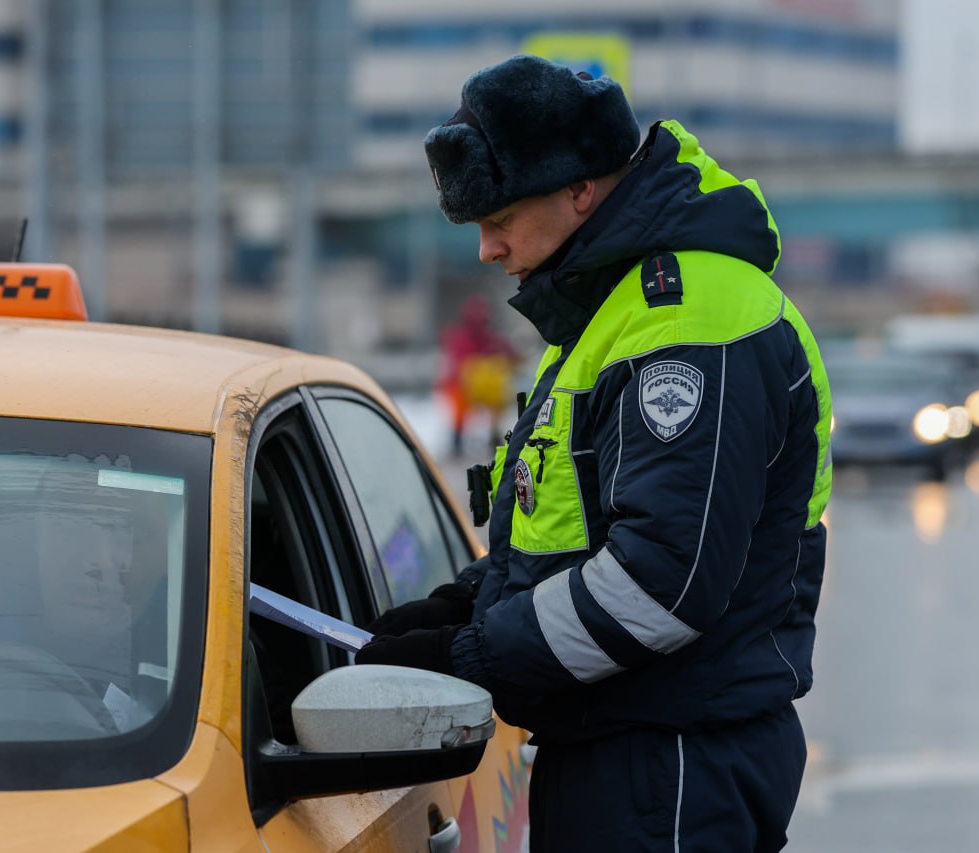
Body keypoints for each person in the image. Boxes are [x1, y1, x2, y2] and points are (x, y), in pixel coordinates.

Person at [355, 54, 832, 852]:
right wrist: (467, 602)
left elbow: (658, 586)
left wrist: (470, 652)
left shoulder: (688, 323)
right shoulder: (612, 316)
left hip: (672, 765)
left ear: (580, 190)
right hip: (635, 755)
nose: (487, 249)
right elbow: (578, 532)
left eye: (500, 216)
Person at [437, 294, 519, 456]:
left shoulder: (490, 339)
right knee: (459, 403)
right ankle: (459, 439)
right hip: (464, 386)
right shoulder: (462, 338)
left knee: (496, 401)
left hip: (483, 385)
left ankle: (492, 436)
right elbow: (454, 364)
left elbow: (509, 355)